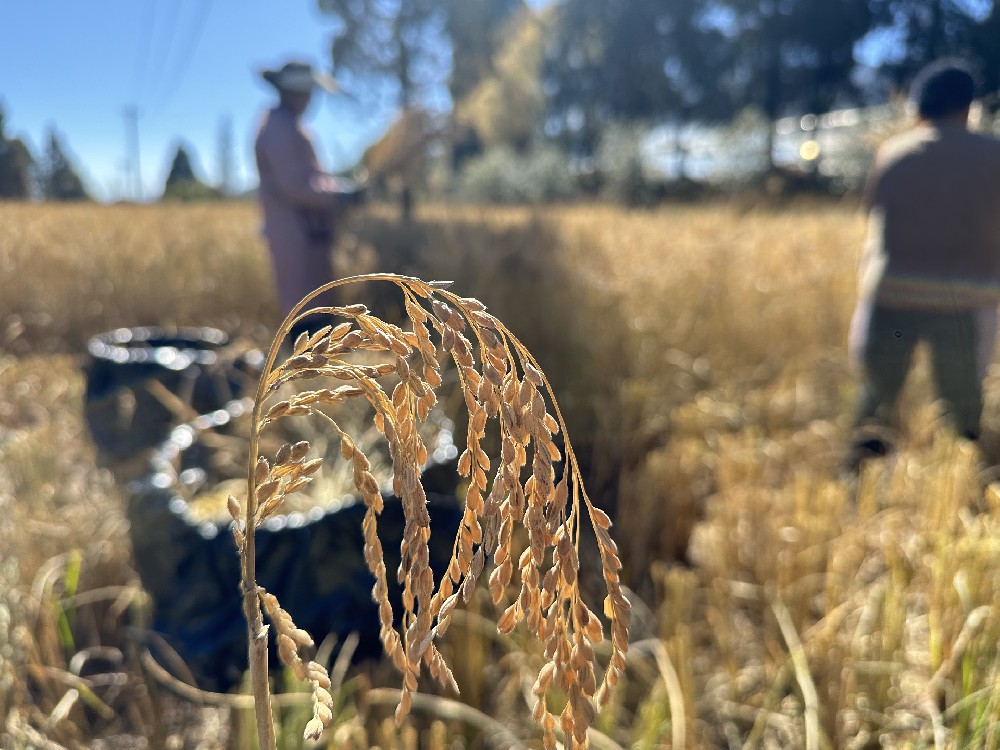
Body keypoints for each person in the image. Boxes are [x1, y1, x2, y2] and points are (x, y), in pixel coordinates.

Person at [847, 58, 1000, 467]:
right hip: (964, 306)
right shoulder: (993, 155)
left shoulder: (893, 152)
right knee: (962, 404)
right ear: (969, 107)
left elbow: (872, 214)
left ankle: (858, 474)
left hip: (892, 300)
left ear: (919, 107)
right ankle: (959, 479)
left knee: (877, 397)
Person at [254, 60, 343, 339]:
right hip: (294, 233)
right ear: (292, 93)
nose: (310, 100)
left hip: (305, 232)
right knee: (304, 309)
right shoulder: (278, 129)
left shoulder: (289, 126)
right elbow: (294, 185)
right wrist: (339, 194)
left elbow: (311, 179)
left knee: (315, 303)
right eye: (307, 93)